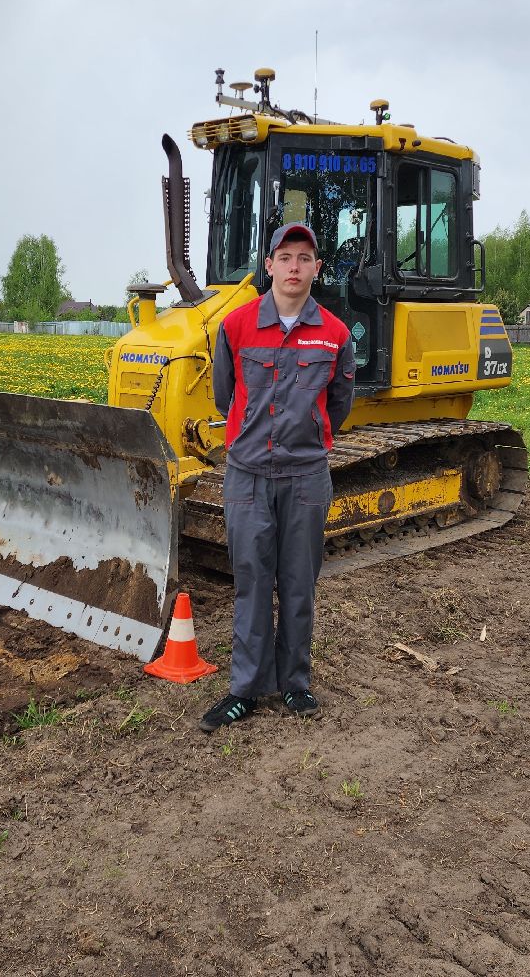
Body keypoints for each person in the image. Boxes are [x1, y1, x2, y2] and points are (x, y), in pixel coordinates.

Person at [200, 222, 356, 732]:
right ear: (268, 265)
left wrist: (303, 436)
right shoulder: (236, 326)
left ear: (317, 268)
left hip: (306, 478)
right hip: (247, 476)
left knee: (298, 583)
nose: (294, 267)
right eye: (285, 257)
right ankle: (245, 690)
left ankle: (294, 683)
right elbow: (225, 396)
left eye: (304, 258)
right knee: (251, 581)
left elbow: (339, 404)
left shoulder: (335, 334)